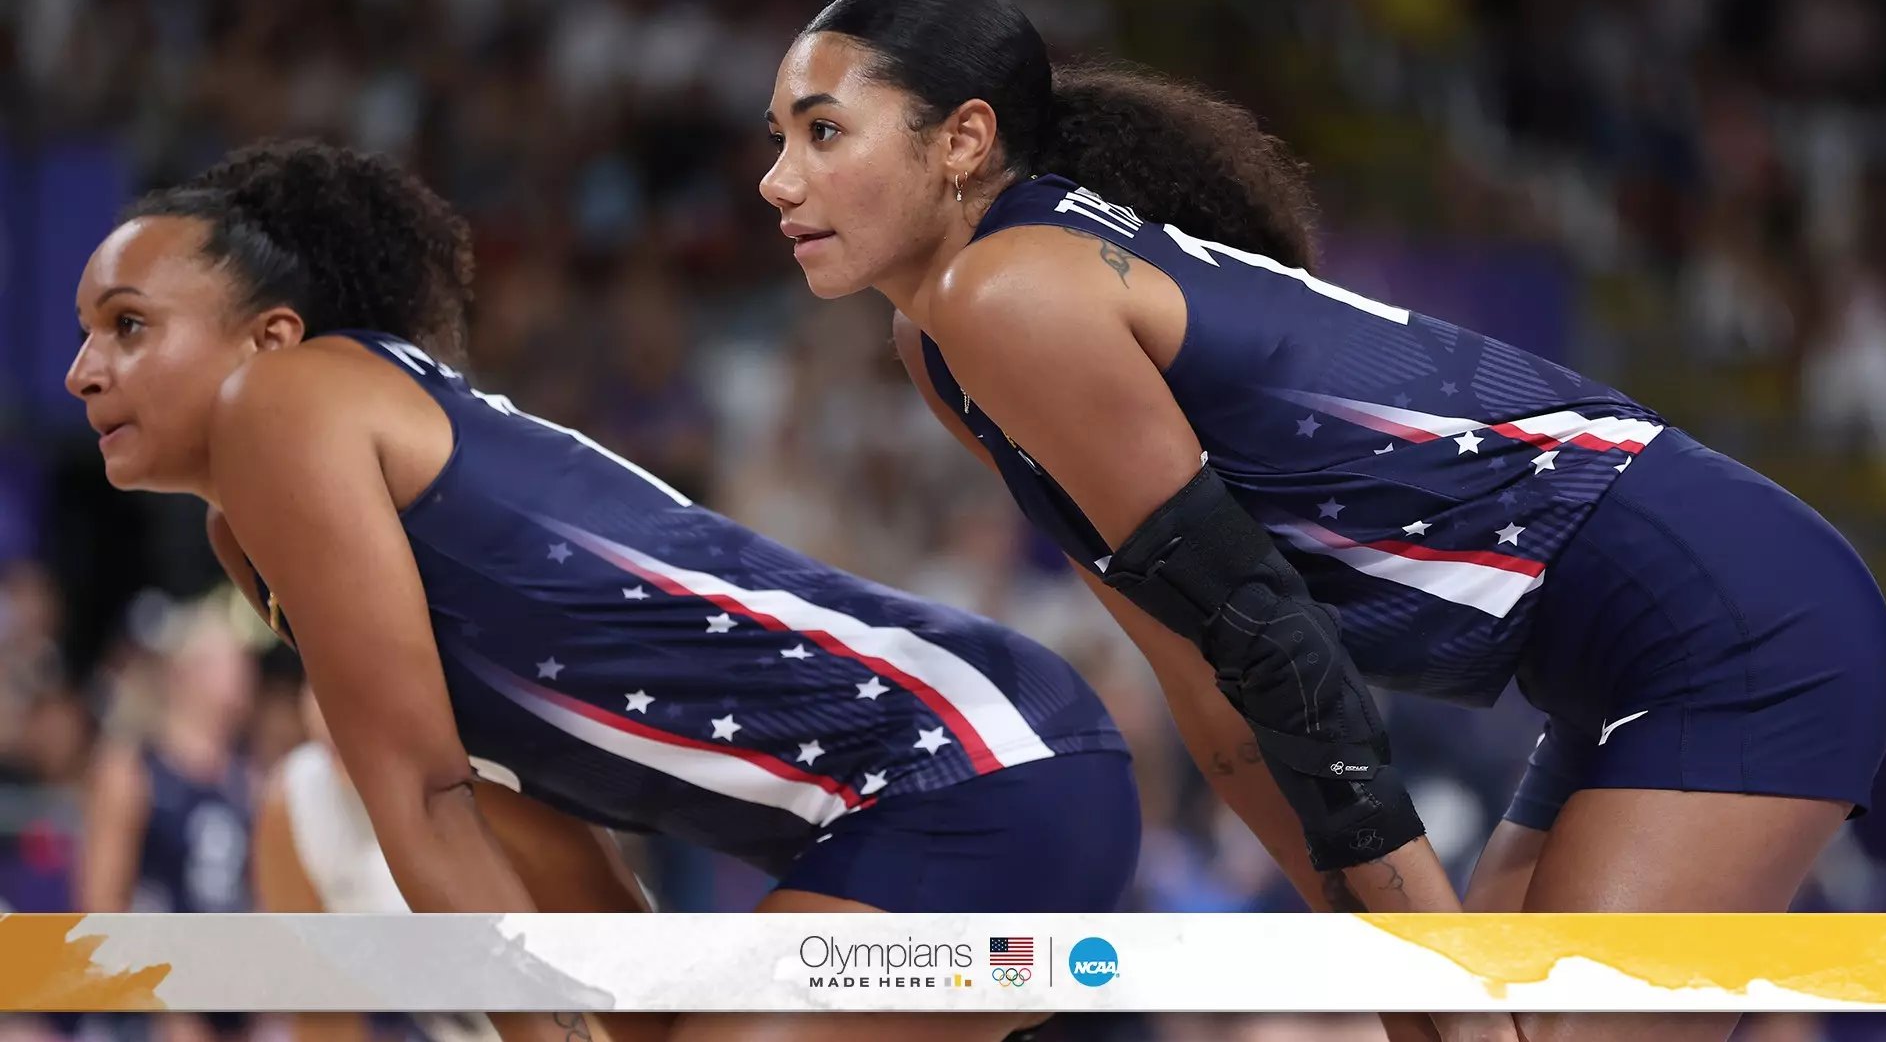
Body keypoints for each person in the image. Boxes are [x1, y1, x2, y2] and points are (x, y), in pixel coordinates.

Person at [759, 0, 1886, 1042]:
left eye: (823, 131)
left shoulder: (1007, 291)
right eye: (780, 140)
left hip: (1734, 617)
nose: (778, 180)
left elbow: (1273, 644)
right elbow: (1209, 689)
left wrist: (1415, 963)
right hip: (1617, 659)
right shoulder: (944, 342)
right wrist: (1380, 957)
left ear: (961, 138)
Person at [67, 139, 1139, 1042]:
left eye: (128, 325)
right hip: (930, 802)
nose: (82, 370)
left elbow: (428, 808)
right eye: (82, 334)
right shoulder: (254, 528)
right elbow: (515, 827)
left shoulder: (288, 406)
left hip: (977, 771)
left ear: (271, 339)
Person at [253, 684, 510, 1042]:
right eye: (314, 669)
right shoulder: (298, 803)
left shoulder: (507, 785)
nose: (323, 711)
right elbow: (322, 1019)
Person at [76, 600, 256, 1042]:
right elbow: (100, 905)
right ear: (185, 673)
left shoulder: (247, 779)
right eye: (225, 661)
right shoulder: (134, 769)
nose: (243, 671)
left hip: (229, 1003)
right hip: (146, 1011)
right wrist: (164, 1012)